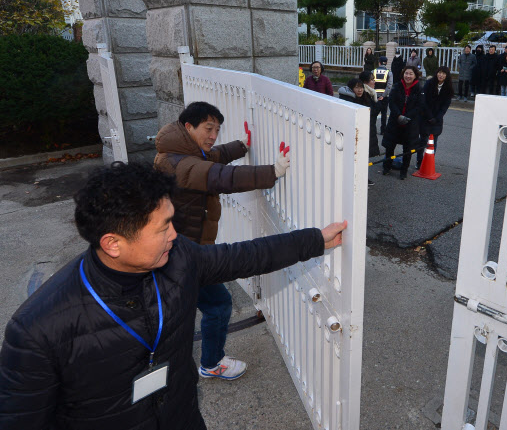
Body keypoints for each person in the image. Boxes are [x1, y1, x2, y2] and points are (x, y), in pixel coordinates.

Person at [0, 161, 347, 429]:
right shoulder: (36, 330)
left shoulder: (179, 259)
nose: (175, 234)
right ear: (113, 243)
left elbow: (246, 256)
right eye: (163, 226)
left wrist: (316, 239)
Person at [152, 101, 290, 381]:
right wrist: (272, 171)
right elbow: (220, 176)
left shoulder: (182, 152)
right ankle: (211, 363)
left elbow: (214, 157)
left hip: (181, 249)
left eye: (217, 129)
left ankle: (163, 360)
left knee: (181, 309)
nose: (213, 135)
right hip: (185, 253)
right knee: (218, 305)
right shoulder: (180, 164)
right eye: (208, 128)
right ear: (189, 127)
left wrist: (241, 145)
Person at [382, 66, 424, 180]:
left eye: (411, 74)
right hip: (395, 121)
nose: (408, 76)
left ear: (415, 75)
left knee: (407, 149)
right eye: (406, 73)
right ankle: (387, 167)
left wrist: (407, 117)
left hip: (410, 124)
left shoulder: (419, 89)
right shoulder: (397, 86)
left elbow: (419, 106)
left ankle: (404, 171)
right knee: (390, 146)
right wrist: (399, 115)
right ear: (403, 74)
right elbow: (392, 102)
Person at [416, 66, 454, 169]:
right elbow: (423, 101)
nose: (441, 75)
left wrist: (437, 118)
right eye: (439, 72)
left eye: (444, 73)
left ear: (446, 76)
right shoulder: (429, 83)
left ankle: (429, 163)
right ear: (436, 73)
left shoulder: (448, 88)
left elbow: (445, 106)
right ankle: (419, 162)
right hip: (425, 117)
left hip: (437, 119)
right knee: (423, 140)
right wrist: (429, 116)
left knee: (434, 142)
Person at [359, 71, 382, 162]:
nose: (374, 82)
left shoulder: (370, 93)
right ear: (365, 82)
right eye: (372, 80)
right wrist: (379, 104)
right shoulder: (364, 94)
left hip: (370, 129)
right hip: (365, 130)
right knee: (362, 156)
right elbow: (372, 112)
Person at [373, 56, 393, 134]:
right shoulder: (389, 72)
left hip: (375, 96)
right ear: (386, 63)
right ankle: (383, 130)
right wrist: (384, 95)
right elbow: (389, 85)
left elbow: (370, 84)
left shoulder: (373, 71)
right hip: (384, 97)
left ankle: (372, 129)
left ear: (379, 62)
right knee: (384, 114)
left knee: (374, 114)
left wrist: (374, 94)